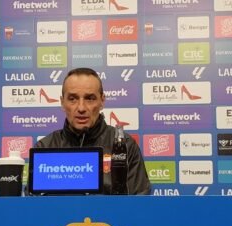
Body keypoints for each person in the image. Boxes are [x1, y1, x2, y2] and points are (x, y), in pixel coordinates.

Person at [30, 67, 151, 195]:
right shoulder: (45, 148)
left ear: (102, 101)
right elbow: (34, 209)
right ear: (62, 102)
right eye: (72, 99)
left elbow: (139, 206)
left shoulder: (124, 146)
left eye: (90, 98)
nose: (81, 108)